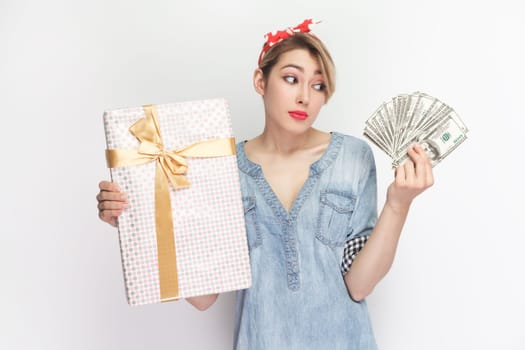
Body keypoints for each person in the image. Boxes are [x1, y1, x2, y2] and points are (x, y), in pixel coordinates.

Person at [96, 19, 434, 350]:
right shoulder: (224, 168)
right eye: (291, 79)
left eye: (318, 86)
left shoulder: (352, 157)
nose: (305, 96)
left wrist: (398, 205)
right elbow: (204, 298)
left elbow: (359, 286)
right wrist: (135, 220)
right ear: (261, 80)